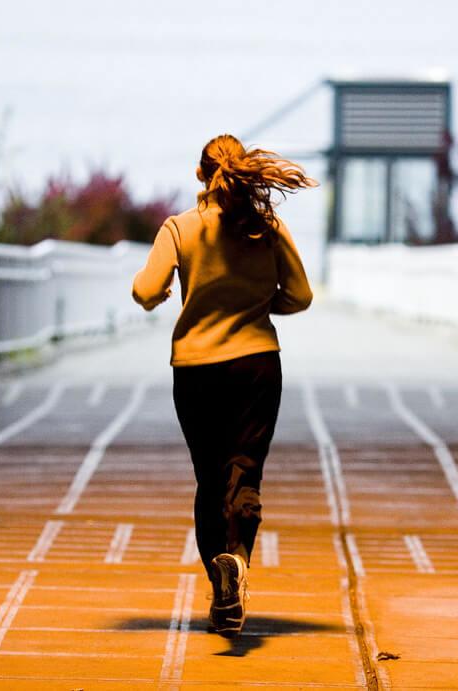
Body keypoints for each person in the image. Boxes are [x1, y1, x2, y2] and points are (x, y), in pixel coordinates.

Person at [131, 134, 316, 637]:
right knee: (245, 473)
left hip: (195, 368)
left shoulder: (180, 228)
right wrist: (257, 307)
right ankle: (239, 559)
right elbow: (299, 295)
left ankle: (221, 584)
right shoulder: (266, 227)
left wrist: (164, 295)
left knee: (210, 481)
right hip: (257, 363)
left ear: (200, 175)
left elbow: (145, 290)